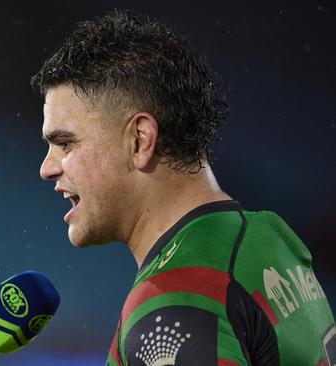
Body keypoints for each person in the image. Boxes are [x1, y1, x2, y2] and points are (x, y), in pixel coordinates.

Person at [31, 10, 335, 366]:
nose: (46, 168)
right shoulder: (269, 235)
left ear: (140, 140)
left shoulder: (177, 303)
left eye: (65, 143)